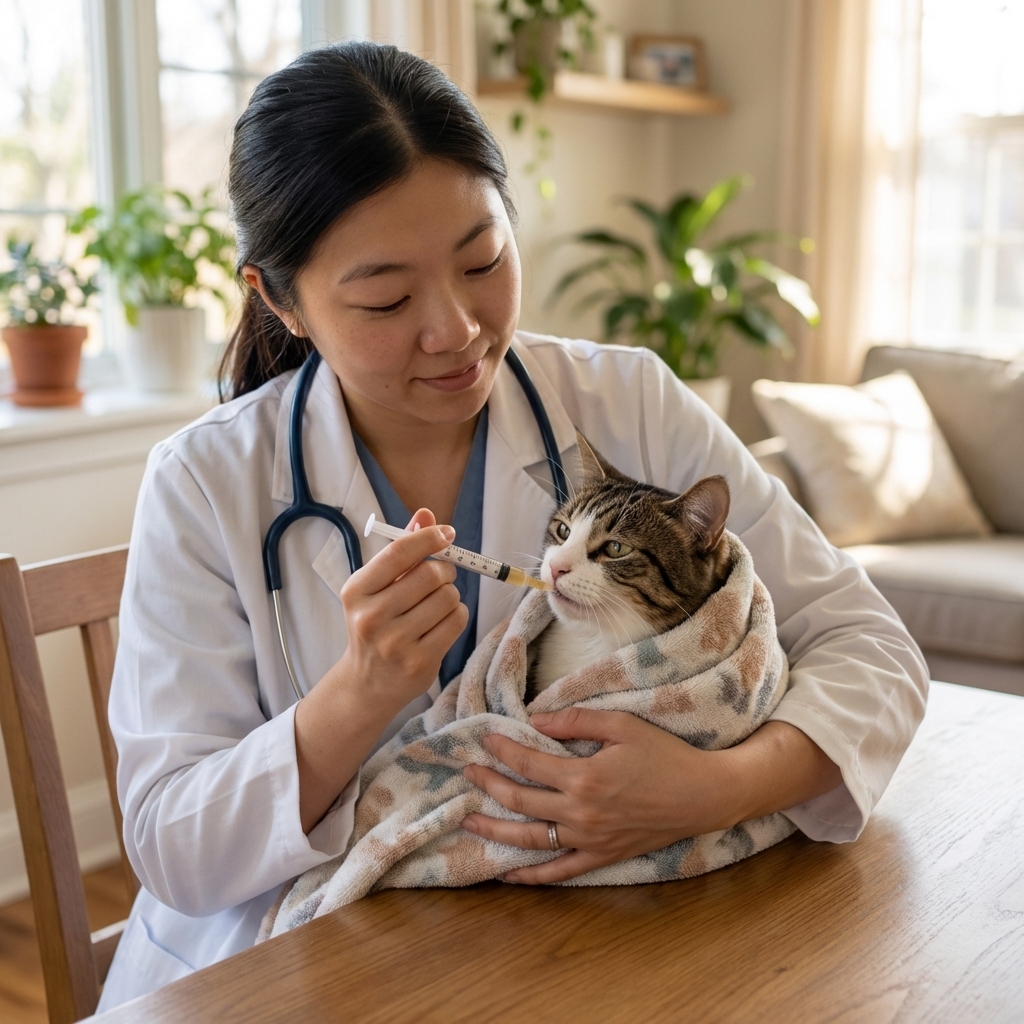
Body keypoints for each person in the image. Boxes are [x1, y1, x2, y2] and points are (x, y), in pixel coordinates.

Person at [99, 41, 928, 1009]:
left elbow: (870, 646)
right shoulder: (206, 482)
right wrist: (359, 694)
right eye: (386, 298)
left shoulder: (625, 401)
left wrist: (720, 787)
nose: (454, 329)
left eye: (481, 260)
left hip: (580, 950)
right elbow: (172, 845)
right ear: (279, 299)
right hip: (300, 965)